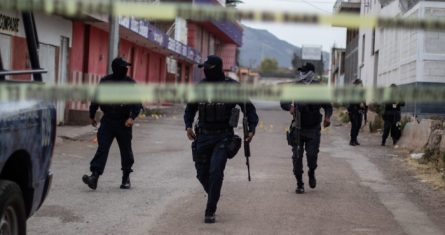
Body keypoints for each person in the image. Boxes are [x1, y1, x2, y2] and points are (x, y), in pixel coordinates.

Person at [183, 55, 259, 223]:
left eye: (207, 68)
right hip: (202, 136)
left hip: (223, 136)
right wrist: (188, 126)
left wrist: (251, 129)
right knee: (202, 174)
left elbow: (250, 110)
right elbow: (190, 109)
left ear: (215, 69)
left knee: (216, 171)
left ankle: (210, 209)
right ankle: (214, 193)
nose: (204, 71)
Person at [82, 57, 142, 190]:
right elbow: (96, 99)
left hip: (124, 122)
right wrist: (92, 115)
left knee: (126, 150)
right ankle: (94, 176)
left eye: (126, 68)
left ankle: (126, 177)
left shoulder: (130, 83)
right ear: (116, 68)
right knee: (102, 148)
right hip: (108, 120)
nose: (126, 70)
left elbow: (137, 102)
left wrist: (132, 117)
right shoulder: (105, 82)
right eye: (123, 68)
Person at [280, 62, 332, 194]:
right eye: (301, 71)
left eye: (304, 71)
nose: (301, 74)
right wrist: (289, 107)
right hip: (298, 128)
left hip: (313, 128)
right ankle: (299, 183)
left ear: (311, 73)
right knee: (297, 157)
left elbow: (328, 106)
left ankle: (311, 172)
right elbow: (283, 101)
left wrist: (327, 117)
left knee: (312, 156)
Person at [347, 79, 367, 146]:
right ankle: (352, 140)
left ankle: (355, 139)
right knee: (354, 126)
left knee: (358, 126)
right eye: (360, 84)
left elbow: (364, 101)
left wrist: (364, 107)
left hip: (359, 111)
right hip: (353, 111)